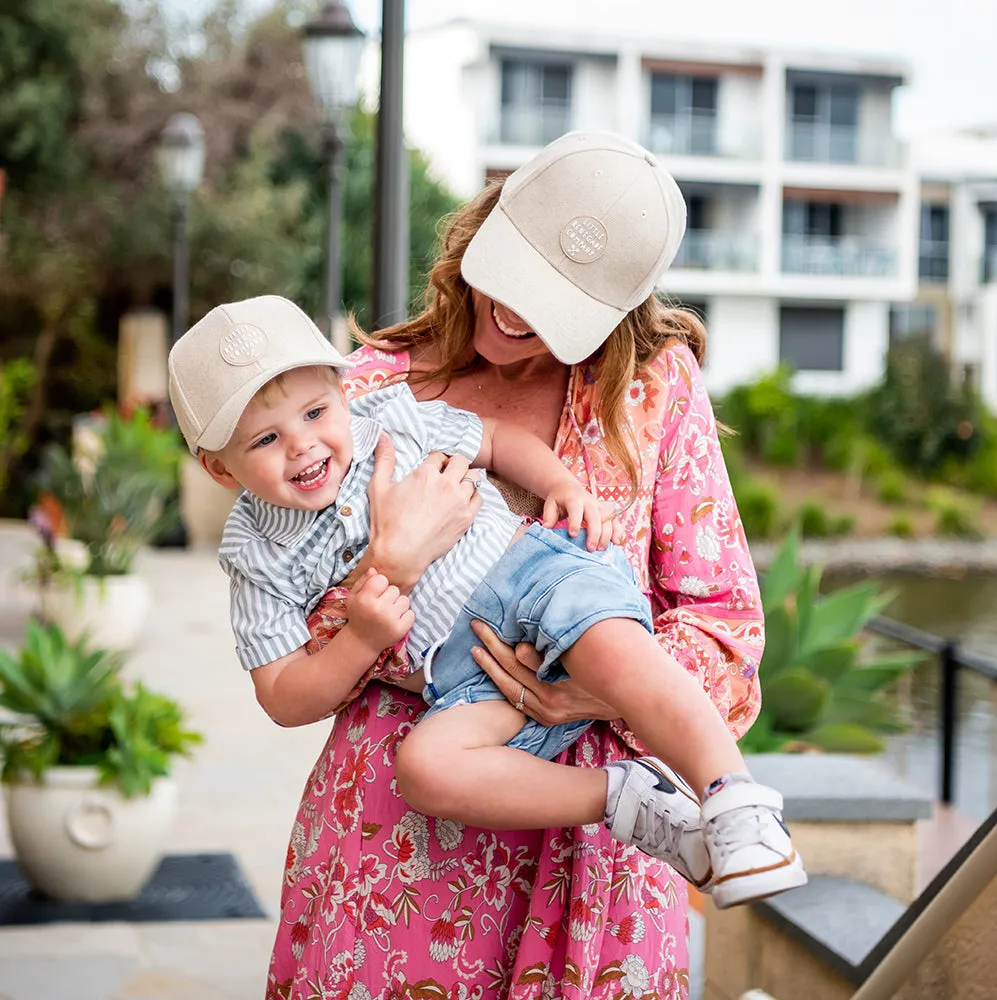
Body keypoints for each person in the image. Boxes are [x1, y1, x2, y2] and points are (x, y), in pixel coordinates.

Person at [229, 129, 768, 998]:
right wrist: (394, 565)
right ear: (481, 231)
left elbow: (728, 638)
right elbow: (292, 626)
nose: (515, 316)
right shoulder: (358, 390)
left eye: (557, 305)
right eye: (509, 276)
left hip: (598, 870)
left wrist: (590, 685)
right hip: (396, 849)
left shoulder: (651, 391)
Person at [169, 283, 804, 907]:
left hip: (530, 576)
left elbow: (495, 440)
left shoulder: (388, 416)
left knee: (614, 652)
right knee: (426, 769)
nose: (302, 444)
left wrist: (564, 486)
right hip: (462, 674)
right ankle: (625, 799)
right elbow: (281, 693)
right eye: (264, 439)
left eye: (313, 413)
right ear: (219, 469)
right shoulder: (254, 554)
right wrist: (360, 638)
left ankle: (735, 799)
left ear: (341, 392)